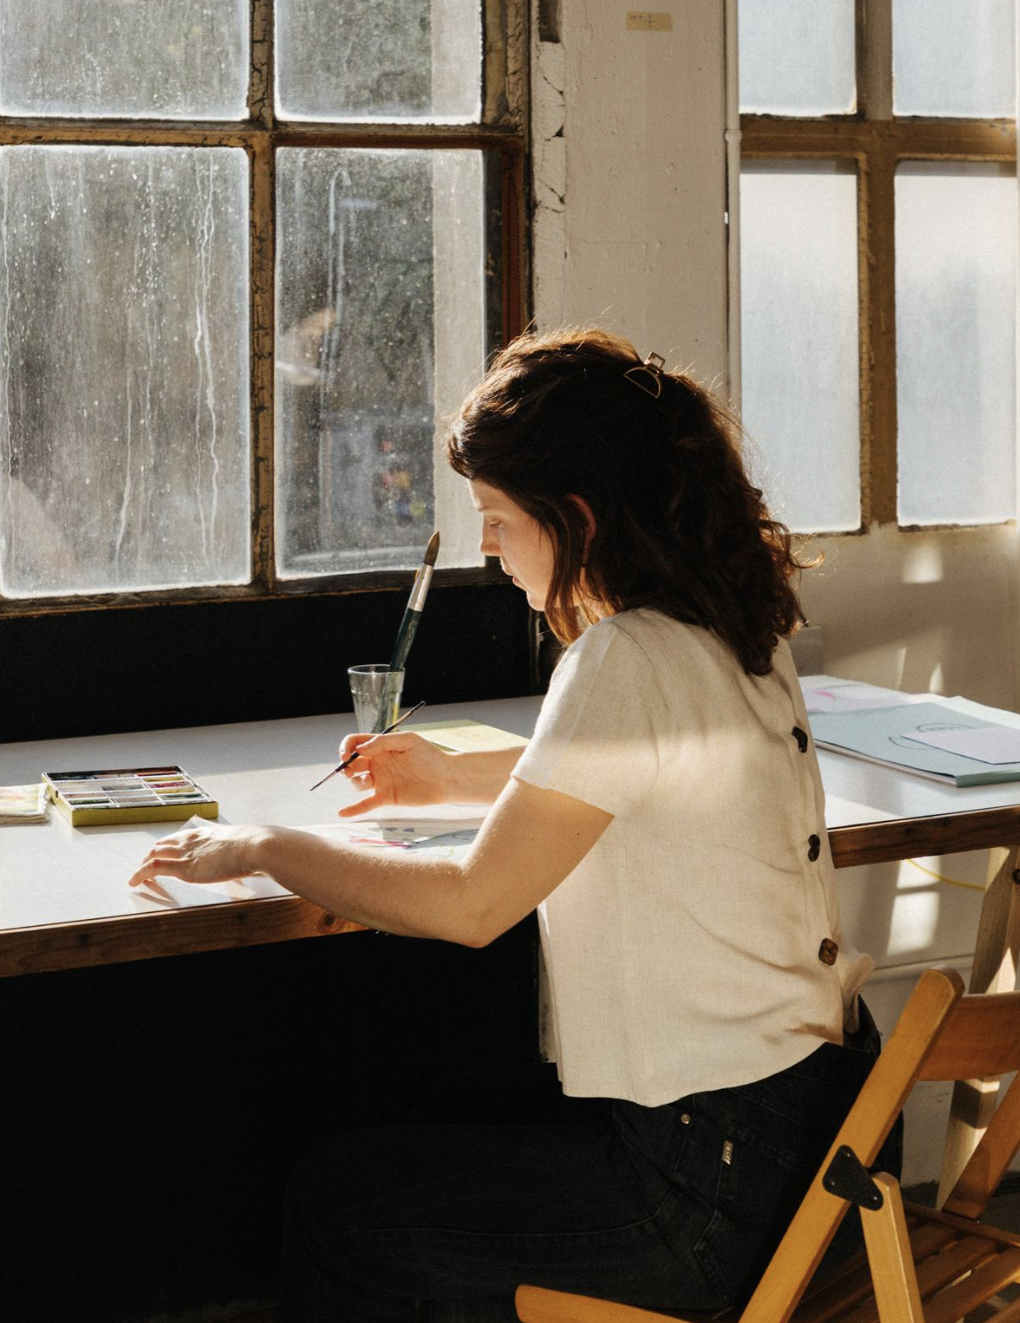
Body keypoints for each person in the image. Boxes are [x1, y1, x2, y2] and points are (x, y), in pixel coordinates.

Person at [130, 328, 890, 1323]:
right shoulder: (731, 629)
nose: (487, 547)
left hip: (695, 1197)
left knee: (341, 1204)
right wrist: (449, 770)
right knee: (403, 1137)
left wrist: (268, 847)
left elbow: (473, 905)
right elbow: (638, 776)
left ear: (573, 515)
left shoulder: (624, 657)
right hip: (793, 1148)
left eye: (496, 518)